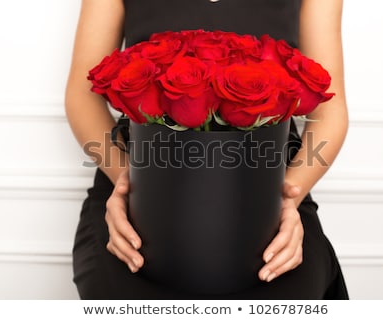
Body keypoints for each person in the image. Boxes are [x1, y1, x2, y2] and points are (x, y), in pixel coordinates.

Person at [65, 0, 349, 299]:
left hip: (271, 189)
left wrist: (284, 200)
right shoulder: (128, 190)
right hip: (133, 189)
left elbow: (330, 111)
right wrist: (130, 188)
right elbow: (82, 97)